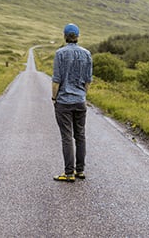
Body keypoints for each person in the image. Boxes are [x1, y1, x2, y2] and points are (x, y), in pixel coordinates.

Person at [52, 23, 93, 182]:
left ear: (64, 36)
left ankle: (69, 173)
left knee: (67, 137)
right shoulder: (87, 54)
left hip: (64, 102)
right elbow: (88, 81)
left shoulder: (60, 54)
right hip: (80, 101)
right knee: (80, 135)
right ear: (78, 36)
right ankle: (80, 171)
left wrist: (54, 98)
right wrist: (82, 95)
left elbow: (56, 81)